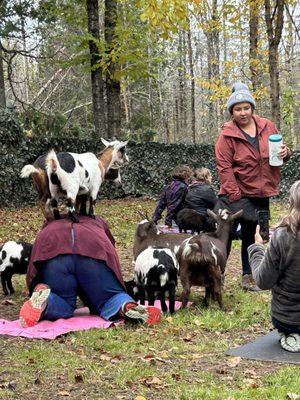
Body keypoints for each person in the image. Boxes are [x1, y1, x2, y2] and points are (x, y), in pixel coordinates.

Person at [19, 215, 162, 327]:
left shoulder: (49, 223)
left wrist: (33, 285)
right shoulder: (97, 220)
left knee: (64, 301)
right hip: (92, 253)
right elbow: (109, 249)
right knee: (109, 298)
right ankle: (126, 306)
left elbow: (35, 259)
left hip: (55, 256)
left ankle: (45, 301)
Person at [215, 82, 291, 291]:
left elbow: (279, 152)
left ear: (252, 108)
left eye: (246, 107)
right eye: (238, 109)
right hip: (236, 193)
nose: (243, 112)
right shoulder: (226, 136)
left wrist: (286, 153)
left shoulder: (268, 126)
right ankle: (218, 275)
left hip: (262, 191)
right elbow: (224, 167)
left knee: (254, 234)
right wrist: (235, 195)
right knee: (227, 234)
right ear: (232, 111)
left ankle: (249, 276)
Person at [248, 180, 300, 352]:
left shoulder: (283, 236)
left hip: (288, 319)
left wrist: (257, 248)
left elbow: (263, 281)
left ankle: (291, 335)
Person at [183, 167, 217, 231]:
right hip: (203, 221)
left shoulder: (190, 187)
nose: (211, 177)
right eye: (210, 175)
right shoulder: (206, 189)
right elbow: (215, 205)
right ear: (205, 177)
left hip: (190, 220)